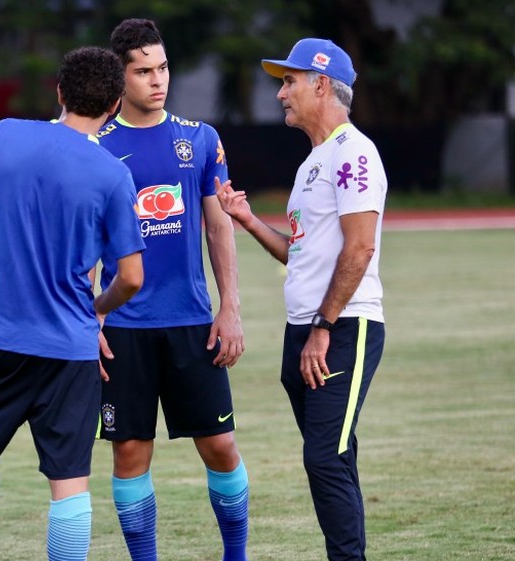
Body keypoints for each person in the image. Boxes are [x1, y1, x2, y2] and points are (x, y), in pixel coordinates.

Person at [0, 46, 145, 561]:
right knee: (69, 484)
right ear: (116, 105)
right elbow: (133, 279)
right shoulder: (113, 174)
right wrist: (96, 310)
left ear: (58, 91)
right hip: (71, 350)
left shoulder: (4, 135)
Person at [217, 38, 387, 561]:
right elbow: (302, 252)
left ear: (320, 82)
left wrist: (322, 328)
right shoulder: (314, 161)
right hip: (305, 330)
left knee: (325, 458)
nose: (280, 94)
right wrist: (246, 221)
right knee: (333, 456)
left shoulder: (354, 152)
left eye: (288, 82)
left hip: (342, 328)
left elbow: (359, 249)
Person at [95, 18, 250, 561]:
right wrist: (89, 319)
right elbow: (84, 241)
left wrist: (229, 307)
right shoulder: (95, 144)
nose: (157, 80)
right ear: (120, 77)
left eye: (162, 68)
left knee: (220, 446)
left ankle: (237, 554)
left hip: (191, 321)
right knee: (130, 454)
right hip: (123, 329)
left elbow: (218, 226)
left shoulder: (200, 138)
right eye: (143, 71)